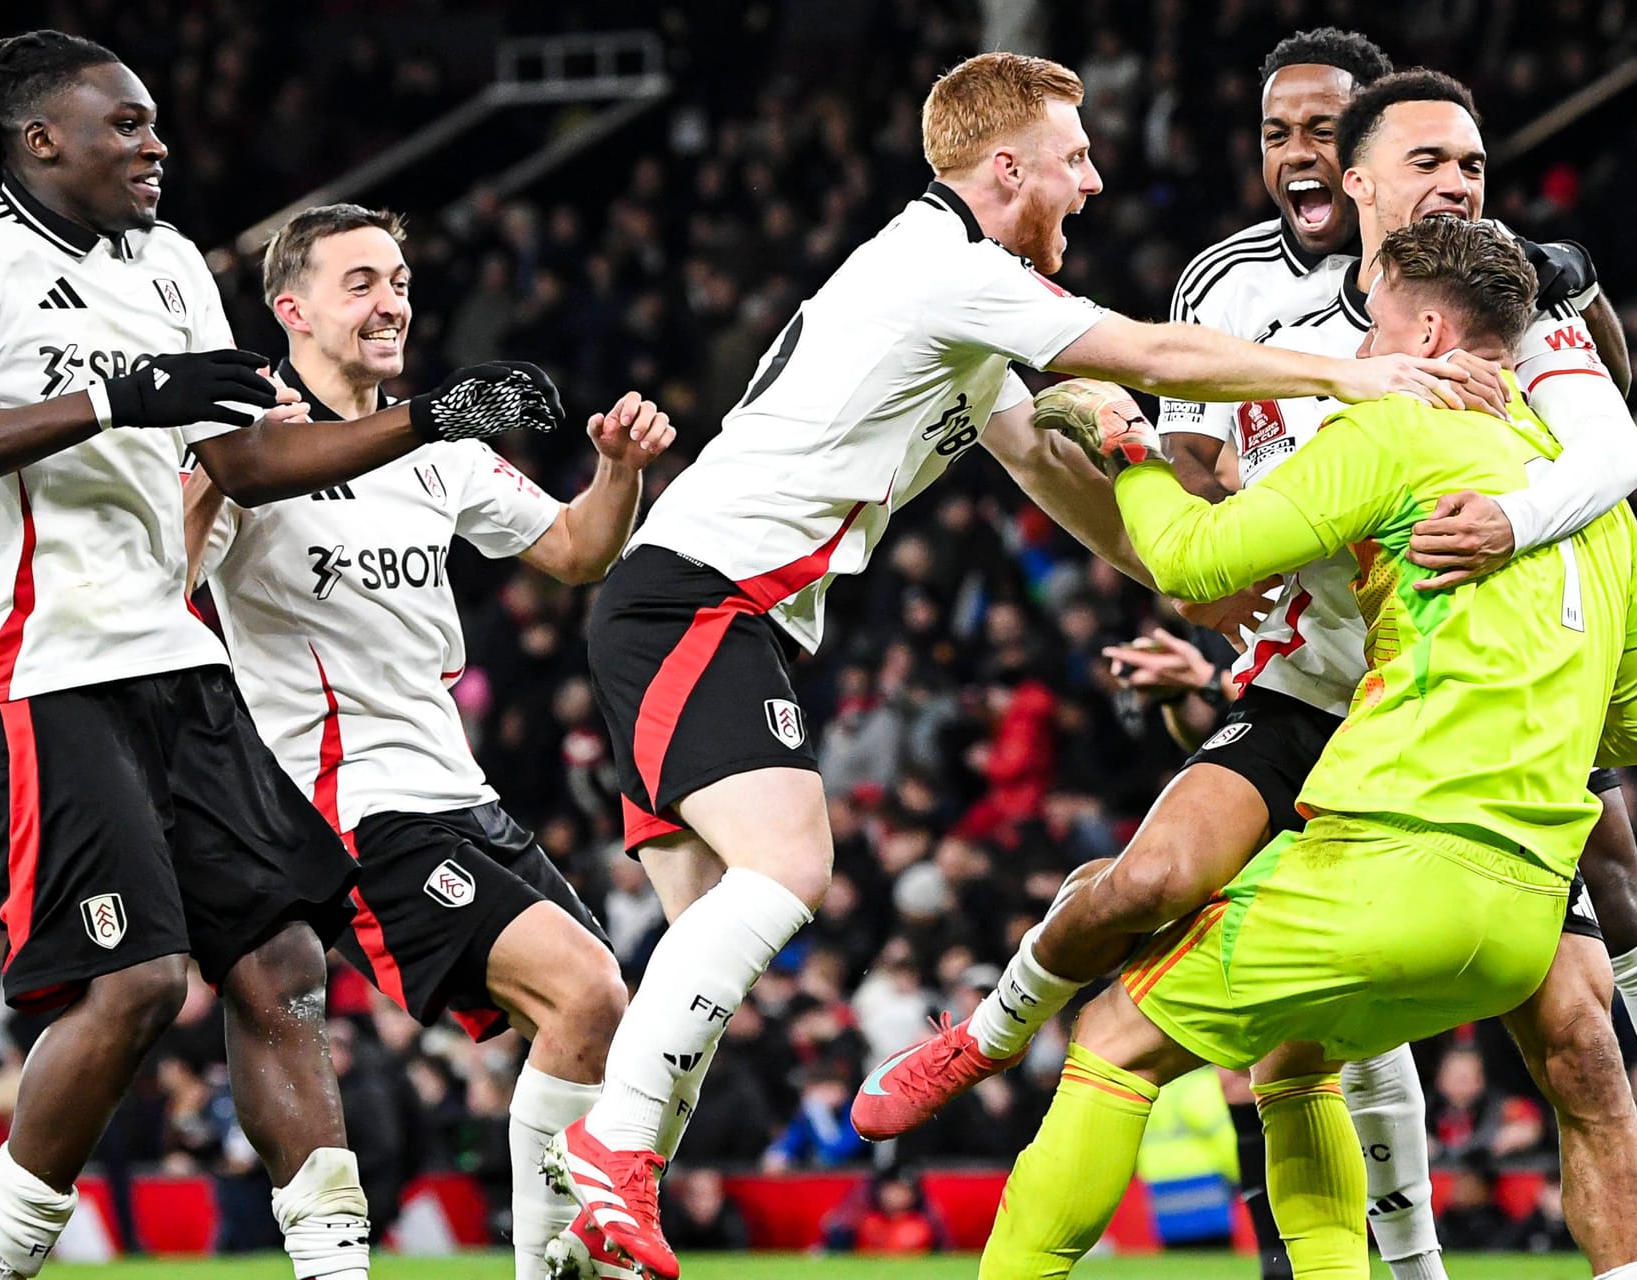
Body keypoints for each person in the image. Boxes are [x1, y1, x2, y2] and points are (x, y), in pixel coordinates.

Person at [544, 49, 1501, 1280]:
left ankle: (594, 1234)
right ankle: (610, 1158)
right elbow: (1148, 359)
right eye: (1074, 157)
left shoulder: (957, 300)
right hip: (702, 597)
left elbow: (1048, 465)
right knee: (793, 863)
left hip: (722, 609)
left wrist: (1193, 585)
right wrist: (1357, 371)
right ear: (1008, 169)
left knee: (701, 960)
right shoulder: (949, 268)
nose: (1095, 182)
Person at [864, 60, 1637, 1280]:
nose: (1455, 181)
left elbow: (1609, 443)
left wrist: (1508, 527)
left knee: (1565, 1039)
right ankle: (985, 1028)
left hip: (1408, 755)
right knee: (1166, 891)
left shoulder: (1493, 339)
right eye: (1428, 161)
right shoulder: (1251, 295)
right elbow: (1197, 538)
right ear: (1354, 182)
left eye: (1472, 163)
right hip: (1336, 699)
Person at [0, 31, 558, 1280]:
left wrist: (430, 416)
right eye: (124, 125)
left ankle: (335, 1267)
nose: (153, 143)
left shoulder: (175, 262)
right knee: (133, 984)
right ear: (41, 139)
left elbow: (241, 463)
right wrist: (119, 398)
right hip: (35, 672)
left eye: (154, 123)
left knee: (284, 962)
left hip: (176, 660)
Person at [980, 214, 1637, 1279]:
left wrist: (1126, 440)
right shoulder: (1593, 503)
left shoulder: (1396, 426)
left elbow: (1196, 557)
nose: (1361, 352)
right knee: (1298, 1052)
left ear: (1434, 330)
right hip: (1521, 919)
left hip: (1392, 859)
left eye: (1379, 324)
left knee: (1117, 1034)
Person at [182, 203, 675, 1280]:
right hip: (351, 798)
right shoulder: (249, 448)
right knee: (586, 988)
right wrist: (205, 464)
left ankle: (550, 1261)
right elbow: (163, 582)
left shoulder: (435, 448)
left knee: (598, 1019)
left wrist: (618, 467)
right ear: (291, 309)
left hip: (459, 788)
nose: (392, 300)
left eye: (399, 279)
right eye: (360, 282)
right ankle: (549, 1262)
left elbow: (578, 550)